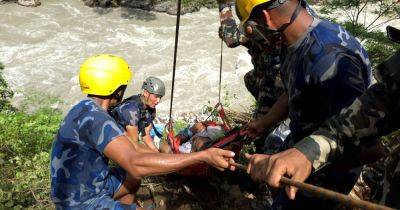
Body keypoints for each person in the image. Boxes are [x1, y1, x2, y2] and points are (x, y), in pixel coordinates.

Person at [50, 54, 236, 209]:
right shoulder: (100, 119)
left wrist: (173, 159)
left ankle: (127, 204)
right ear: (117, 90)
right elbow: (135, 162)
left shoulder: (83, 108)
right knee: (135, 171)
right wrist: (201, 156)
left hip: (89, 184)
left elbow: (136, 149)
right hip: (81, 202)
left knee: (132, 178)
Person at [234, 0, 372, 208]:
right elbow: (294, 90)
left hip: (330, 166)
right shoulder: (293, 40)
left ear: (265, 17)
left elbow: (369, 148)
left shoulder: (330, 62)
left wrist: (304, 164)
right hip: (304, 142)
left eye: (253, 27)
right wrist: (264, 122)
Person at [245, 35, 400, 209]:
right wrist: (308, 152)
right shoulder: (296, 46)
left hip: (337, 167)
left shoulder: (326, 51)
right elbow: (379, 104)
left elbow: (372, 149)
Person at [217, 0, 317, 153]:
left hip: (283, 81)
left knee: (271, 142)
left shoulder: (274, 14)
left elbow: (231, 37)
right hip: (272, 76)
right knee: (250, 80)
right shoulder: (290, 10)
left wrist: (224, 6)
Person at [110, 76, 167, 152]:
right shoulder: (131, 109)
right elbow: (134, 144)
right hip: (112, 138)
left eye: (160, 97)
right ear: (146, 93)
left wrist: (156, 152)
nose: (158, 101)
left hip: (128, 137)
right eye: (156, 96)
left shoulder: (151, 109)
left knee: (163, 151)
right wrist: (155, 157)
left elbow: (146, 135)